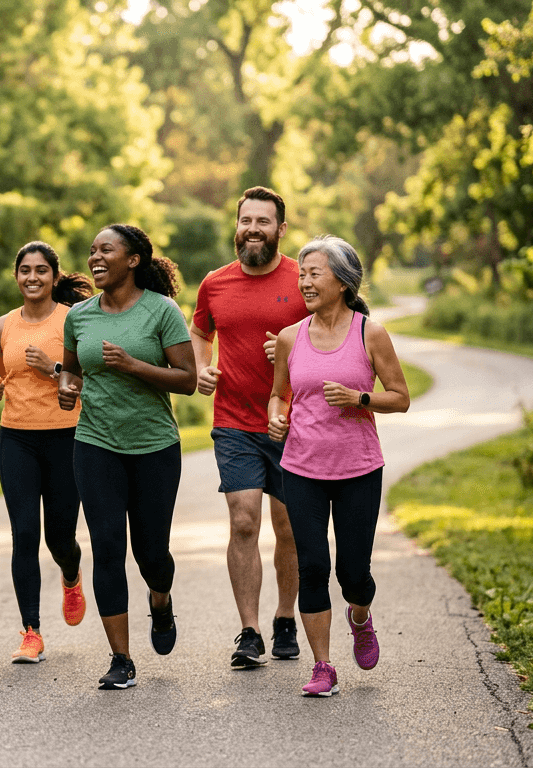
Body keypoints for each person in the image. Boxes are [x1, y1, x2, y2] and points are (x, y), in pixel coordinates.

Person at [267, 235, 409, 697]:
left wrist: (359, 398)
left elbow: (400, 398)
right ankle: (322, 666)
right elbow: (279, 394)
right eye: (302, 274)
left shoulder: (370, 333)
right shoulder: (290, 337)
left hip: (358, 469)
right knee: (312, 567)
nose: (304, 283)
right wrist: (276, 415)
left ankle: (360, 617)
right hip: (301, 467)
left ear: (343, 282)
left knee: (353, 574)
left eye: (315, 274)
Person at [57, 224, 196, 690]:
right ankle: (121, 658)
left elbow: (187, 379)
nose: (95, 258)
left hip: (155, 446)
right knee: (108, 546)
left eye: (106, 250)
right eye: (92, 251)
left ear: (133, 260)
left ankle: (161, 600)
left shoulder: (162, 311)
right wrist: (66, 389)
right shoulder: (79, 316)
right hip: (95, 443)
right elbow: (71, 372)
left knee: (151, 554)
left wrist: (134, 365)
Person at [190, 186, 308, 667]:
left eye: (263, 221)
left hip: (293, 422)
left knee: (289, 527)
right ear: (236, 226)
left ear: (281, 229)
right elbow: (200, 331)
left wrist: (293, 350)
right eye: (246, 221)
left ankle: (285, 617)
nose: (253, 229)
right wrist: (203, 366)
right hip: (234, 422)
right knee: (243, 522)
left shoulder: (304, 279)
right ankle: (250, 631)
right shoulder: (214, 283)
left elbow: (332, 334)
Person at [0, 241, 93, 663]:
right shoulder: (2, 326)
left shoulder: (73, 320)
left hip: (67, 438)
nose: (32, 277)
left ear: (54, 276)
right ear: (16, 276)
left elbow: (90, 379)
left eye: (41, 270)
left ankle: (71, 573)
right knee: (24, 534)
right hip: (16, 439)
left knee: (59, 537)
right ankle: (31, 632)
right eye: (25, 270)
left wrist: (54, 369)